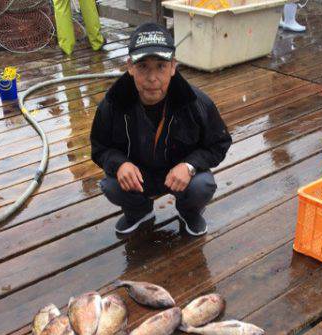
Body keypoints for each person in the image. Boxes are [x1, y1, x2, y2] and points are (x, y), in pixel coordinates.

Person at [90, 23, 232, 236]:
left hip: (179, 175)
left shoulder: (197, 102)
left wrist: (190, 166)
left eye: (161, 66)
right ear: (130, 66)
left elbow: (219, 144)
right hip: (139, 177)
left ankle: (189, 211)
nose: (152, 78)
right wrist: (119, 164)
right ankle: (138, 211)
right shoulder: (112, 103)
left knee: (202, 184)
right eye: (143, 66)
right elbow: (100, 148)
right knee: (110, 184)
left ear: (174, 66)